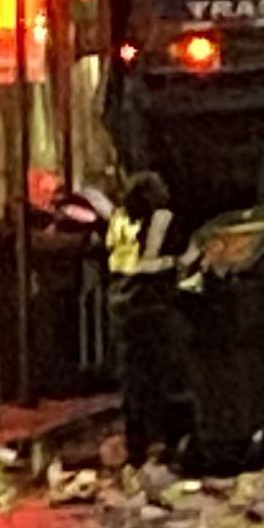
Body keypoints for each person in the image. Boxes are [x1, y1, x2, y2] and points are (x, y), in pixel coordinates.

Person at [108, 174, 185, 463]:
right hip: (150, 307)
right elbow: (155, 262)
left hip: (122, 306)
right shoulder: (159, 221)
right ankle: (157, 440)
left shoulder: (120, 220)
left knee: (133, 379)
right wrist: (178, 264)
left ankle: (136, 440)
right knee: (157, 377)